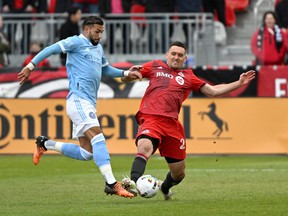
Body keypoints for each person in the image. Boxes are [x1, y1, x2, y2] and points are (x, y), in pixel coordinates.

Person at [18, 16, 142, 198]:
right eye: (97, 31)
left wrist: (126, 72)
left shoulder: (98, 48)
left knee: (86, 153)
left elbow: (105, 69)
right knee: (98, 138)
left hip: (88, 102)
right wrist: (30, 65)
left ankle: (45, 143)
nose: (100, 35)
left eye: (102, 32)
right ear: (87, 29)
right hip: (78, 99)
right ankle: (111, 184)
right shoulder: (75, 42)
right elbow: (50, 49)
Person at [121, 41, 255, 200]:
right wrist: (128, 75)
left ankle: (164, 187)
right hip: (151, 118)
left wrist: (238, 83)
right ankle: (133, 184)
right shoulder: (155, 66)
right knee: (144, 147)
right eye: (173, 54)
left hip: (172, 125)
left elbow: (212, 91)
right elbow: (128, 78)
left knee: (179, 173)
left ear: (185, 58)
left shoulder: (188, 76)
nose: (176, 57)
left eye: (180, 55)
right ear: (167, 55)